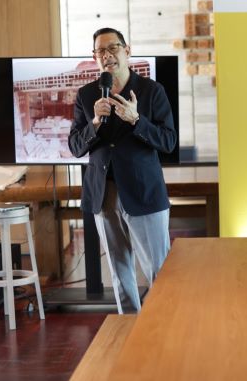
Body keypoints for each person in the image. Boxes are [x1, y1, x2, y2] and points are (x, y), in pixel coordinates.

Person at [68, 27, 177, 314]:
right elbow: (75, 147)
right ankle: (129, 326)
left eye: (112, 48)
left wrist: (137, 120)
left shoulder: (151, 91)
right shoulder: (87, 95)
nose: (107, 55)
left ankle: (163, 326)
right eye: (100, 51)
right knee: (119, 272)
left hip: (144, 193)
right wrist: (94, 122)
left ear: (127, 51)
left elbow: (168, 142)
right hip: (104, 194)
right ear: (95, 57)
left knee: (159, 270)